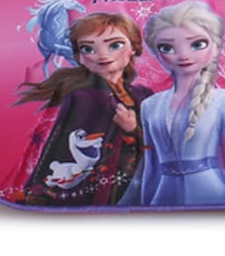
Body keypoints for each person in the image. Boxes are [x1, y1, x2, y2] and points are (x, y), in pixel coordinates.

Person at [123, 0, 225, 207]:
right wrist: (146, 206)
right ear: (156, 53)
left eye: (197, 44)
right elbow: (151, 165)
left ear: (216, 47)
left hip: (213, 194)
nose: (183, 55)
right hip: (163, 196)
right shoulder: (150, 105)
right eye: (167, 47)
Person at [15, 12, 150, 206]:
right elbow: (62, 146)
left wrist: (132, 129)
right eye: (88, 48)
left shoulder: (143, 95)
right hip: (102, 189)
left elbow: (162, 142)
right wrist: (40, 189)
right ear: (79, 57)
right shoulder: (85, 98)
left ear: (134, 48)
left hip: (140, 183)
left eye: (115, 45)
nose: (102, 55)